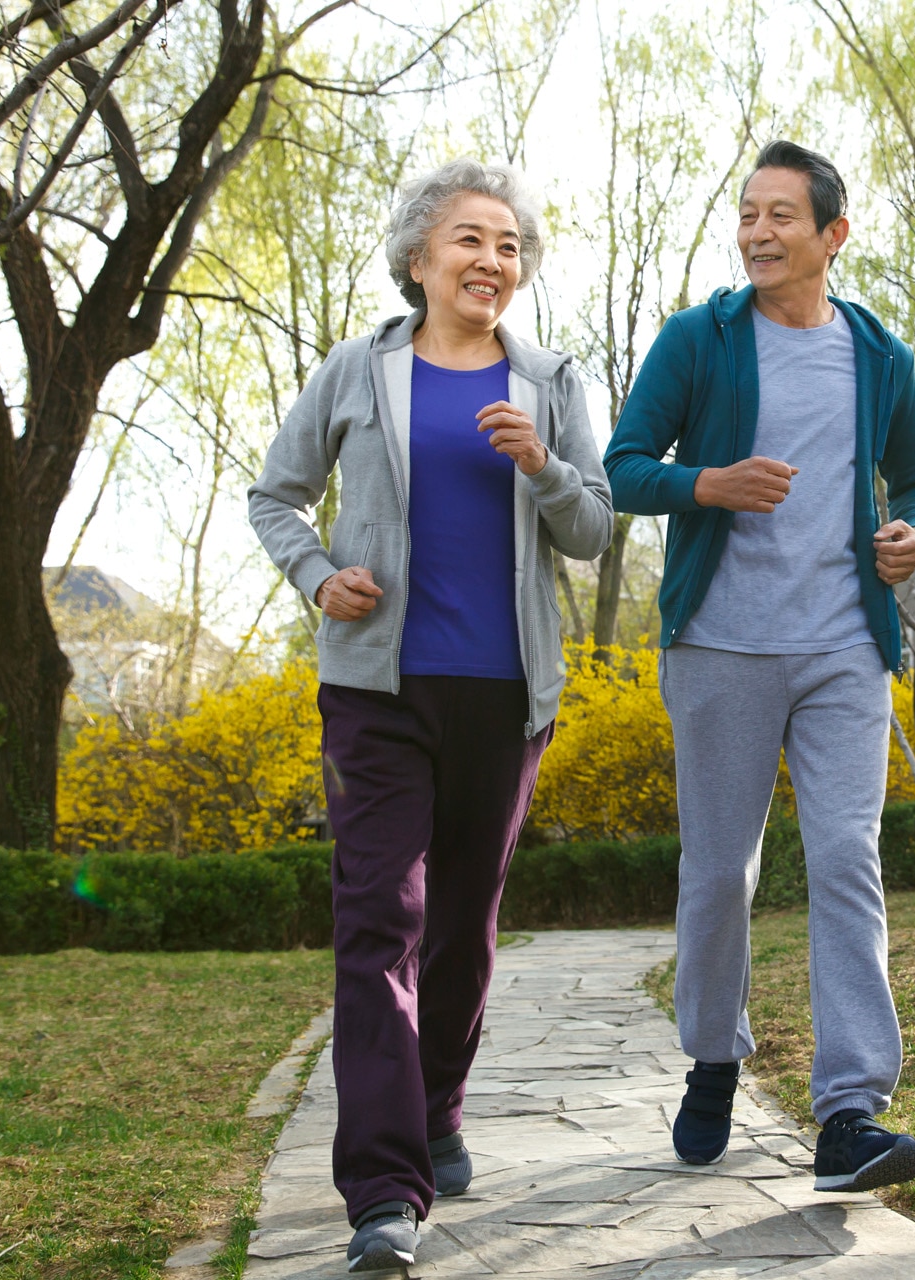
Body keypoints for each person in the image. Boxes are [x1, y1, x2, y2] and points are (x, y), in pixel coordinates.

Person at [248, 159, 613, 1272]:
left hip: (506, 697)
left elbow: (594, 527)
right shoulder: (358, 371)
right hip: (375, 690)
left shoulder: (550, 380)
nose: (491, 260)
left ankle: (439, 1103)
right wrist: (317, 575)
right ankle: (382, 1190)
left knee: (461, 925)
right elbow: (276, 493)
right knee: (377, 927)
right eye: (470, 239)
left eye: (509, 245)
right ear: (418, 256)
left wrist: (543, 465)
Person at [605, 139, 915, 1193]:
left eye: (780, 216)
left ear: (833, 235)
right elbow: (623, 467)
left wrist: (914, 535)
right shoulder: (698, 340)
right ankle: (714, 1053)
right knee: (720, 871)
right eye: (748, 213)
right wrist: (710, 485)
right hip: (722, 644)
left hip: (847, 643)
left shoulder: (879, 355)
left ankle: (850, 1111)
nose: (757, 230)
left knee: (847, 856)